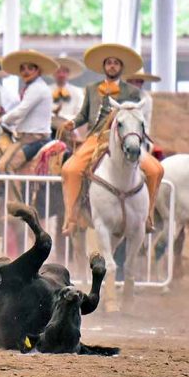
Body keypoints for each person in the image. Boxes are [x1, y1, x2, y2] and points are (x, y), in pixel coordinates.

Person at [60, 43, 164, 236]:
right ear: (104, 67)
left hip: (123, 138)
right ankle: (72, 219)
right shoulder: (91, 89)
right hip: (95, 139)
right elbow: (83, 115)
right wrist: (72, 123)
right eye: (109, 63)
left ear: (121, 68)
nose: (112, 66)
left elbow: (135, 118)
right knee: (70, 169)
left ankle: (147, 217)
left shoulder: (132, 92)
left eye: (116, 63)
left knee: (155, 169)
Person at [0, 50, 57, 174]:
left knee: (5, 165)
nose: (26, 72)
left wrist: (0, 120)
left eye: (30, 68)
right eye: (23, 69)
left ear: (38, 71)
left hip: (36, 139)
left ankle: (15, 194)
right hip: (25, 138)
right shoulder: (32, 87)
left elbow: (21, 111)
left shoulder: (37, 88)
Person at [51, 54, 86, 139]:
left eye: (64, 71)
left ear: (68, 74)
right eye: (58, 71)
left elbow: (80, 113)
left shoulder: (77, 91)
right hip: (49, 129)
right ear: (54, 73)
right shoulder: (46, 91)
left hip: (69, 129)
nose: (61, 74)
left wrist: (68, 121)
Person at [125, 70, 161, 136]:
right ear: (127, 82)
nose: (134, 84)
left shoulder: (146, 99)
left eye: (138, 81)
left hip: (139, 134)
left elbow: (144, 123)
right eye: (131, 81)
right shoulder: (118, 96)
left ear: (142, 83)